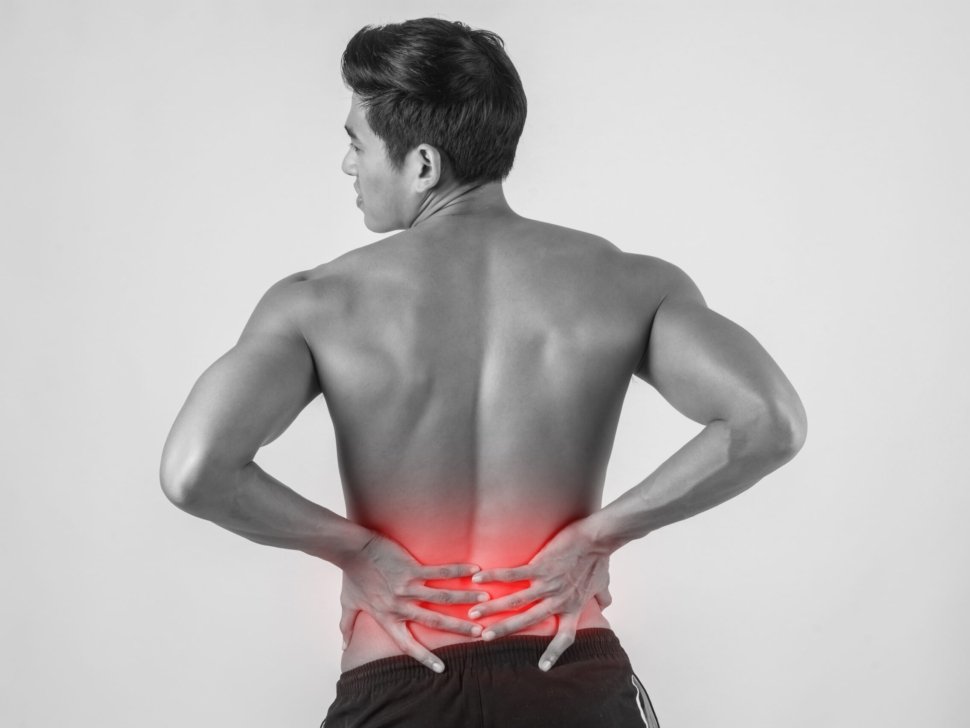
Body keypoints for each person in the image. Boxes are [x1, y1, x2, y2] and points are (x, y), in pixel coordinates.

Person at [159, 17, 807, 728]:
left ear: (424, 164)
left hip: (400, 679)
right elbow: (767, 421)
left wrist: (358, 551)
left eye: (357, 142)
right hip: (569, 675)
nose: (348, 164)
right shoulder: (629, 283)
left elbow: (195, 469)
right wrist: (601, 534)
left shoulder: (319, 303)